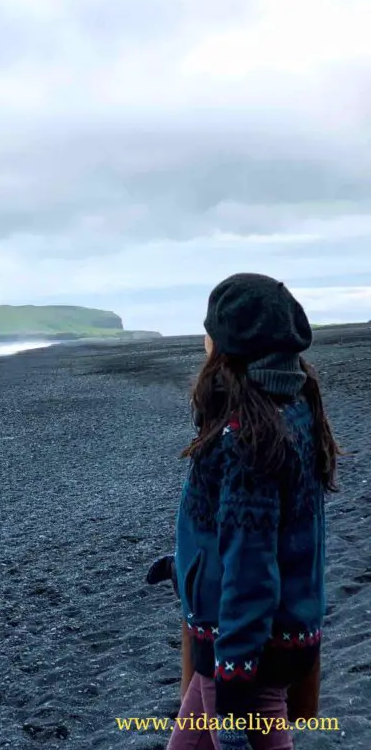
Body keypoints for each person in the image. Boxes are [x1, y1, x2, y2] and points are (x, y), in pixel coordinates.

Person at [162, 273, 341, 750]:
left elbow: (250, 567)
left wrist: (234, 684)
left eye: (211, 328)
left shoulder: (249, 437)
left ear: (228, 344)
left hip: (243, 648)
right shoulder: (292, 404)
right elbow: (261, 533)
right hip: (260, 630)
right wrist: (186, 568)